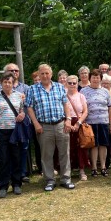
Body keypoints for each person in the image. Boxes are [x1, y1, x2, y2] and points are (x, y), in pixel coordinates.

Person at [26, 63, 75, 191]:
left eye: (47, 73)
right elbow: (29, 108)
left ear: (51, 74)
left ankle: (66, 179)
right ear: (39, 74)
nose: (45, 75)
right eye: (42, 73)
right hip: (44, 127)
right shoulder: (32, 89)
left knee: (65, 153)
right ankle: (49, 180)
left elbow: (66, 105)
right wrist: (36, 123)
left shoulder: (59, 87)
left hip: (61, 125)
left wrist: (68, 120)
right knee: (46, 155)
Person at [0, 72, 25, 198]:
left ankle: (17, 184)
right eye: (5, 82)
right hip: (1, 130)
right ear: (1, 83)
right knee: (4, 158)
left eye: (9, 82)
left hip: (15, 130)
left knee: (16, 157)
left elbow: (22, 111)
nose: (7, 84)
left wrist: (22, 115)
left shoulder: (19, 96)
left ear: (13, 83)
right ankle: (3, 185)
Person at [0, 63, 31, 182]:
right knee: (7, 153)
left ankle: (22, 173)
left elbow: (28, 104)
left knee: (23, 149)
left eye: (16, 70)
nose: (14, 72)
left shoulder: (25, 87)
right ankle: (10, 176)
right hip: (5, 126)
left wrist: (23, 114)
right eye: (11, 70)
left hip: (22, 124)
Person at [80, 69, 111, 177]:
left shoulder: (105, 91)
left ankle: (103, 167)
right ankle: (94, 168)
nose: (95, 79)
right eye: (93, 77)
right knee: (93, 145)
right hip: (90, 123)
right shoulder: (83, 91)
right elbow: (81, 107)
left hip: (103, 122)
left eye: (97, 77)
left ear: (100, 79)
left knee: (103, 144)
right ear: (90, 78)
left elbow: (110, 108)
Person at [66, 75, 90, 180]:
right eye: (70, 83)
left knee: (81, 147)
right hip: (67, 123)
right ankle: (68, 171)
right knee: (68, 148)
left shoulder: (81, 96)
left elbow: (85, 111)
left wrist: (78, 123)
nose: (72, 85)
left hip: (79, 123)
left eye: (74, 83)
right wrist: (68, 123)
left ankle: (81, 170)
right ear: (66, 84)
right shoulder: (63, 96)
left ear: (77, 84)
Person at [30, 71, 42, 173]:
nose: (38, 82)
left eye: (39, 79)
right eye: (35, 80)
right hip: (35, 122)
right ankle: (40, 167)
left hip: (47, 122)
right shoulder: (31, 91)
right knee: (38, 145)